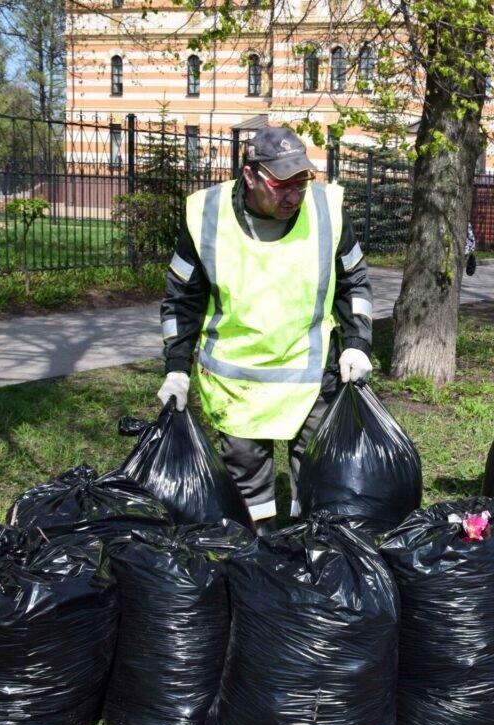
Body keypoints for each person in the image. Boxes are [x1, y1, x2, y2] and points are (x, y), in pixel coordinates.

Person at [157, 126, 374, 536]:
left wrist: (358, 344)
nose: (294, 197)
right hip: (236, 386)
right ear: (251, 175)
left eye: (302, 183)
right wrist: (176, 368)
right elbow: (181, 300)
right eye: (282, 185)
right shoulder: (206, 215)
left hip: (311, 378)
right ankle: (259, 566)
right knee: (248, 495)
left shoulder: (327, 209)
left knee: (318, 480)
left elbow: (355, 282)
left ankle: (314, 560)